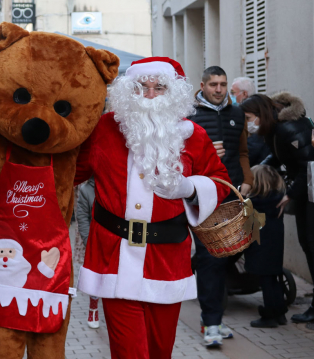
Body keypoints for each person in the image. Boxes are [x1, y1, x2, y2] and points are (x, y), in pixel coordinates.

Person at [74, 57, 230, 359]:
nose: (149, 95)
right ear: (127, 92)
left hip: (166, 260)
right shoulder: (104, 129)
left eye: (159, 88)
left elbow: (221, 182)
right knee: (130, 352)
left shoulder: (194, 135)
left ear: (173, 93)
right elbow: (71, 172)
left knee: (160, 351)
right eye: (141, 87)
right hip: (113, 256)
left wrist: (189, 188)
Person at [241, 93, 314, 323]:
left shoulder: (287, 128)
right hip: (307, 191)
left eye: (249, 118)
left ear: (261, 114)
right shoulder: (274, 129)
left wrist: (289, 194)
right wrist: (256, 172)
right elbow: (278, 157)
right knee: (309, 246)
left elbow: (309, 164)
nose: (248, 124)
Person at [187, 66, 252, 345]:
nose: (218, 89)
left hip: (233, 195)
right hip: (204, 196)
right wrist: (205, 154)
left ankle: (215, 318)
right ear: (202, 85)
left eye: (223, 84)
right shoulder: (189, 115)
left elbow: (242, 152)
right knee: (210, 258)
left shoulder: (237, 113)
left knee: (226, 256)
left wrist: (247, 180)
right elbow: (180, 157)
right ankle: (211, 321)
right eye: (213, 84)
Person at [245, 165, 288, 328]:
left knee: (266, 282)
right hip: (275, 245)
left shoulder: (254, 203)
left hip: (260, 246)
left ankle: (269, 315)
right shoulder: (278, 200)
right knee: (274, 278)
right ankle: (280, 312)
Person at [74, 178, 100, 329]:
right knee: (95, 274)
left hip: (116, 240)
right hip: (94, 240)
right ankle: (93, 307)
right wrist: (88, 240)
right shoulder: (86, 190)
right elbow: (83, 217)